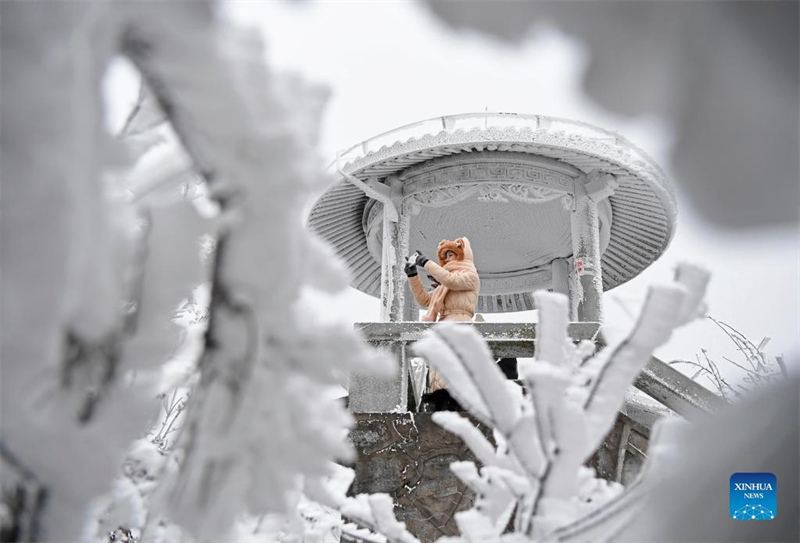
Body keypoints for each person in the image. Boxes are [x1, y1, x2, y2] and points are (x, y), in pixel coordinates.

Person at [405, 237, 480, 393]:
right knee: (439, 374)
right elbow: (424, 300)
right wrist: (413, 276)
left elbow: (451, 280)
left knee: (453, 373)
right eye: (444, 256)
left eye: (450, 254)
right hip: (443, 327)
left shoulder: (470, 276)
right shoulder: (444, 286)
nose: (447, 259)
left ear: (463, 255)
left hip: (459, 326)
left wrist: (426, 262)